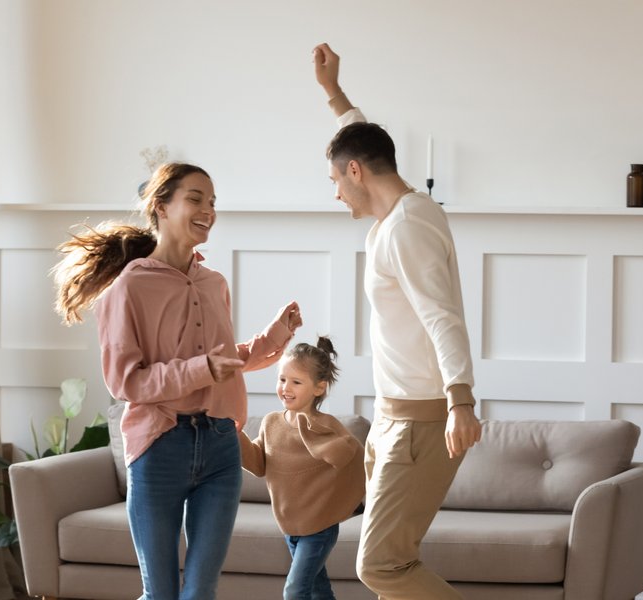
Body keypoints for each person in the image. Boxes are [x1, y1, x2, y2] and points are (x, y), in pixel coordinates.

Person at [52, 162, 303, 600]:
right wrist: (201, 369)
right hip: (159, 446)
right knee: (161, 594)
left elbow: (223, 362)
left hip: (221, 445)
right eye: (195, 199)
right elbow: (125, 382)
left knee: (200, 592)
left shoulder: (214, 283)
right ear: (161, 206)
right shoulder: (128, 287)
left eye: (213, 202)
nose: (208, 210)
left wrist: (275, 336)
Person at [311, 43, 483, 600]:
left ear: (355, 172)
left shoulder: (408, 225)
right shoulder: (396, 215)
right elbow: (358, 138)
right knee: (393, 570)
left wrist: (461, 401)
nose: (336, 192)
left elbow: (441, 315)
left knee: (382, 566)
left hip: (418, 422)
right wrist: (335, 94)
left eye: (337, 180)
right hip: (392, 418)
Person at [238, 336, 365, 600]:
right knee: (318, 589)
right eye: (282, 379)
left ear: (319, 388)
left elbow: (347, 455)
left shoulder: (326, 425)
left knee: (294, 591)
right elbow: (258, 463)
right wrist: (234, 435)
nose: (286, 387)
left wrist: (311, 435)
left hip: (320, 527)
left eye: (296, 382)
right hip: (290, 525)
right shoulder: (271, 422)